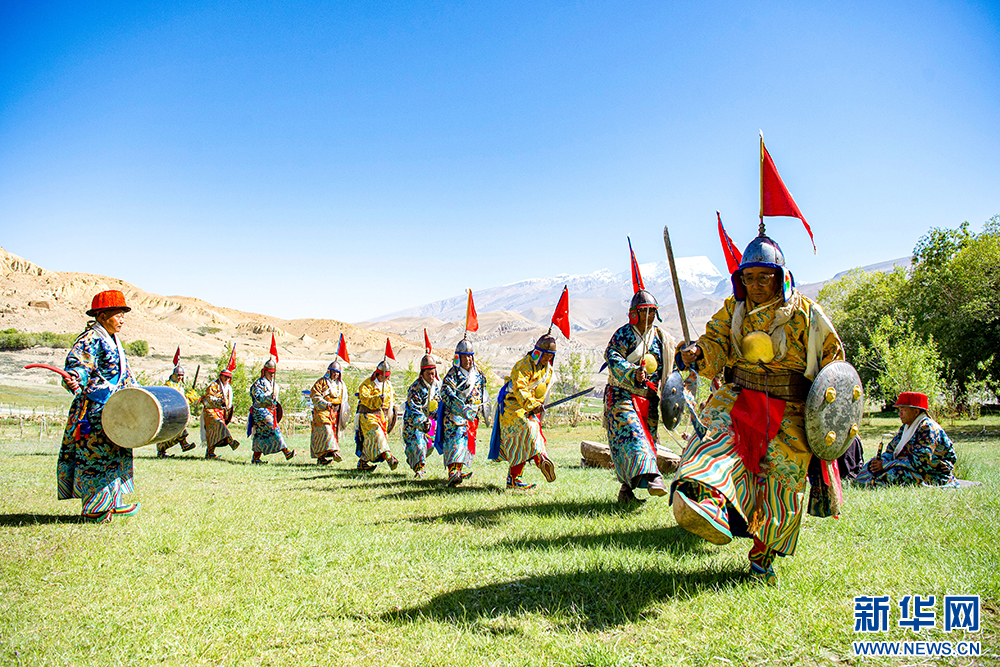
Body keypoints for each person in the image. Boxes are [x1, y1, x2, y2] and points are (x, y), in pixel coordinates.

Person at [672, 229, 846, 586]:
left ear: (780, 277)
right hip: (739, 397)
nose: (755, 285)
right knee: (709, 442)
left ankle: (762, 561)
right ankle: (709, 508)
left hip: (791, 408)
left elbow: (835, 366)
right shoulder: (733, 310)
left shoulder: (808, 314)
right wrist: (698, 352)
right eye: (748, 278)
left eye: (763, 278)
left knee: (779, 484)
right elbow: (715, 342)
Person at [58, 290, 141, 522]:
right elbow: (79, 365)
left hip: (114, 409)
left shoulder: (113, 340)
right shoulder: (90, 339)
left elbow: (124, 375)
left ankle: (112, 503)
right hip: (93, 412)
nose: (122, 319)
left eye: (123, 315)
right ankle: (94, 509)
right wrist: (76, 377)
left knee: (114, 454)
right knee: (95, 458)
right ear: (103, 316)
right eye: (118, 314)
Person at [603, 290, 671, 502]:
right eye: (644, 311)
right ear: (634, 313)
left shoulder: (660, 337)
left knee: (649, 439)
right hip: (621, 395)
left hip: (649, 397)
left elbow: (669, 362)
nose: (649, 316)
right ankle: (654, 477)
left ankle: (626, 490)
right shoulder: (623, 334)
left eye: (652, 312)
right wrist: (633, 373)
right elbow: (612, 356)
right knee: (632, 436)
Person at [490, 334, 558, 489]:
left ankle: (515, 478)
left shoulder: (548, 370)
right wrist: (531, 405)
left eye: (551, 356)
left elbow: (541, 393)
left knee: (531, 435)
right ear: (538, 352)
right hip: (512, 407)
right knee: (528, 430)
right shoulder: (523, 366)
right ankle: (540, 460)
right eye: (546, 355)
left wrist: (537, 405)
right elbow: (520, 389)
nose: (548, 359)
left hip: (530, 409)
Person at [855, 392, 956, 487]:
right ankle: (866, 482)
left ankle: (874, 483)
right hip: (905, 466)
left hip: (933, 473)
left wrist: (886, 465)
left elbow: (920, 462)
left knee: (895, 474)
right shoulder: (906, 427)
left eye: (903, 410)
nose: (900, 413)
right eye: (899, 410)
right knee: (870, 466)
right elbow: (891, 449)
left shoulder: (928, 428)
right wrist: (880, 462)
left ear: (916, 411)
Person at [436, 339, 486, 486]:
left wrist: (479, 410)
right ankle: (453, 472)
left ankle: (459, 470)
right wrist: (462, 409)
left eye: (470, 356)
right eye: (464, 356)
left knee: (466, 443)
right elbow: (446, 393)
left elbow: (482, 391)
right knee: (455, 441)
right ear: (458, 357)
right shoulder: (453, 374)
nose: (468, 359)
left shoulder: (478, 374)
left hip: (471, 417)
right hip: (454, 416)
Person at [355, 360, 399, 471]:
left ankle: (363, 462)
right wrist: (377, 399)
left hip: (382, 418)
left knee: (372, 440)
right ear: (378, 374)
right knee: (376, 434)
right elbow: (363, 397)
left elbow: (391, 402)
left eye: (387, 376)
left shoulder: (389, 386)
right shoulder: (367, 384)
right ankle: (389, 457)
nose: (386, 379)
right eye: (384, 376)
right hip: (368, 415)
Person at [249, 358, 294, 464]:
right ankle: (286, 451)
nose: (272, 375)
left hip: (270, 411)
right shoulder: (258, 384)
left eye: (273, 373)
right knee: (274, 429)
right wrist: (268, 397)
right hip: (260, 411)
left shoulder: (274, 385)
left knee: (260, 434)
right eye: (270, 373)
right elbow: (257, 397)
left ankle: (255, 458)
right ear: (264, 371)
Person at [403, 354, 439, 477]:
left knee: (430, 445)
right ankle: (419, 469)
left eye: (433, 374)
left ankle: (413, 459)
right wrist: (423, 422)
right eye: (428, 374)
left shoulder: (436, 387)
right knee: (419, 443)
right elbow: (414, 409)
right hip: (414, 424)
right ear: (422, 373)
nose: (431, 377)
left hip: (431, 424)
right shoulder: (415, 388)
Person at [310, 360, 349, 465]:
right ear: (329, 371)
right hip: (322, 412)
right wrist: (326, 404)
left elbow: (344, 400)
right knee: (326, 430)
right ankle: (335, 452)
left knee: (333, 433)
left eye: (337, 372)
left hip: (336, 413)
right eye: (333, 371)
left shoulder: (341, 385)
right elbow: (315, 395)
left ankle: (322, 459)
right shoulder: (321, 382)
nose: (335, 374)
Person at [157, 364, 197, 457]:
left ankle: (184, 444)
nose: (180, 378)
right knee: (171, 431)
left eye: (181, 376)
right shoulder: (168, 386)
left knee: (180, 428)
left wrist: (190, 397)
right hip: (168, 412)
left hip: (177, 412)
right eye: (178, 375)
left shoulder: (179, 386)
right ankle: (162, 450)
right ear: (173, 375)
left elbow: (181, 400)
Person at [200, 368, 239, 459]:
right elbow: (209, 398)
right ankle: (231, 442)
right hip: (210, 411)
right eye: (225, 376)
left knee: (214, 433)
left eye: (228, 377)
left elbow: (229, 404)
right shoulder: (214, 385)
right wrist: (219, 400)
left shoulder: (228, 388)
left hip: (220, 412)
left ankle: (210, 453)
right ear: (220, 376)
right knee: (219, 426)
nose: (226, 379)